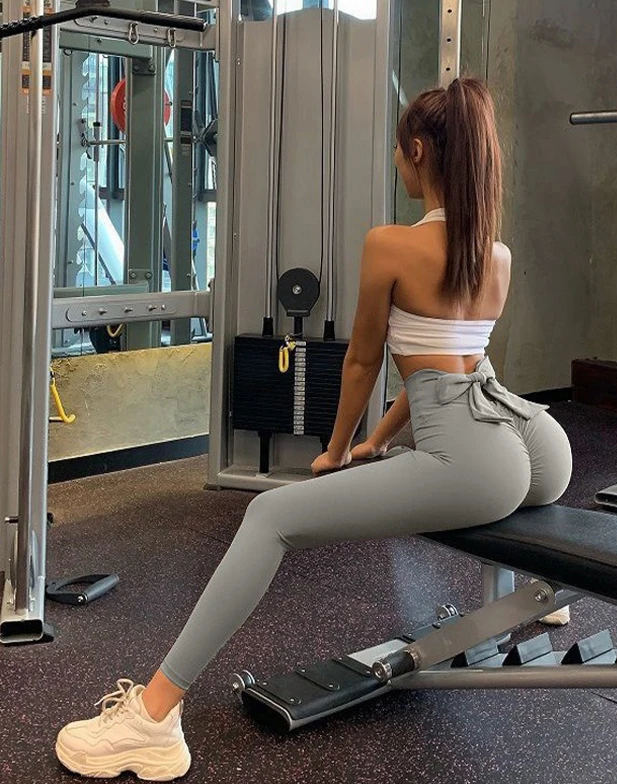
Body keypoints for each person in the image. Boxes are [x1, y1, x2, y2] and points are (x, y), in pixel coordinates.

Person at [55, 77, 573, 781]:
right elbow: (456, 366)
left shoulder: (391, 244)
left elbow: (362, 361)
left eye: (399, 149)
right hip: (537, 442)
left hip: (475, 460)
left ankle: (152, 718)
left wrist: (334, 451)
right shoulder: (497, 254)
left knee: (269, 517)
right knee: (475, 462)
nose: (396, 160)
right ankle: (539, 596)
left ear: (419, 151)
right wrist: (379, 442)